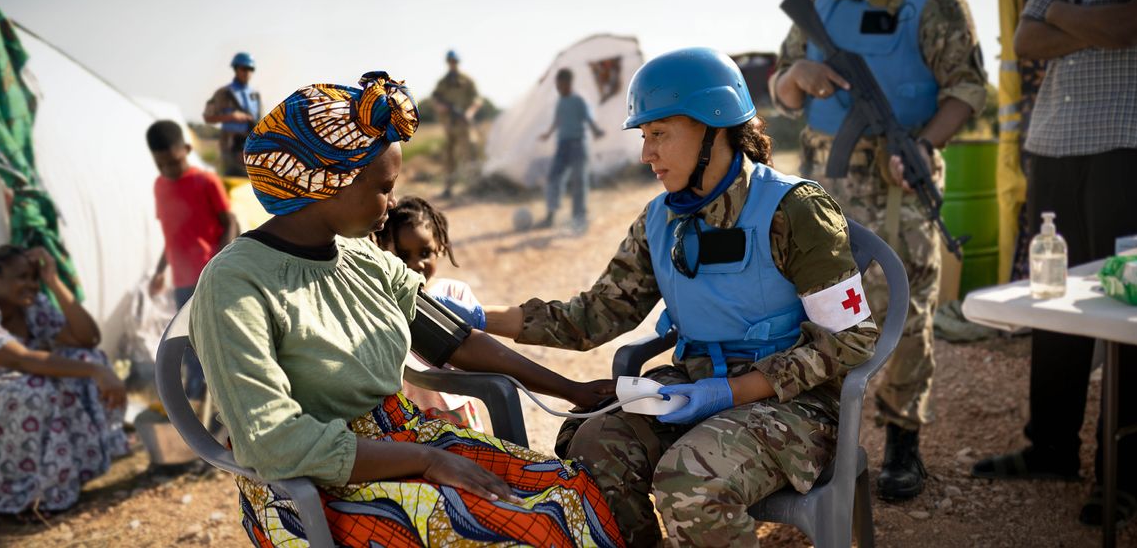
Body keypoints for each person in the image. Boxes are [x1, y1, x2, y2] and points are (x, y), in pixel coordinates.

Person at [439, 48, 879, 547]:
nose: (647, 154)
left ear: (715, 129)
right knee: (591, 448)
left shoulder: (795, 209)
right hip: (693, 387)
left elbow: (849, 339)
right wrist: (479, 317)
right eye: (645, 137)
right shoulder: (659, 221)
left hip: (794, 406)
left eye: (660, 134)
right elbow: (594, 316)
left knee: (689, 478)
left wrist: (732, 392)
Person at [188, 74, 624, 547]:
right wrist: (428, 461)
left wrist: (572, 389)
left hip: (401, 437)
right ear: (328, 183)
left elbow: (454, 338)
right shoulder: (235, 283)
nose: (393, 203)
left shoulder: (360, 255)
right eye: (384, 187)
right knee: (530, 528)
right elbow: (273, 443)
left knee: (571, 491)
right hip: (313, 486)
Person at [769, 0, 987, 500]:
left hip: (900, 184)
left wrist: (923, 142)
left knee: (907, 311)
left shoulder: (933, 0)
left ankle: (901, 440)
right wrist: (798, 73)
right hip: (825, 189)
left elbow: (967, 87)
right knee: (816, 310)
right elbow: (782, 91)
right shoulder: (820, 0)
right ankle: (813, 441)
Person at [972, 0, 1137, 528]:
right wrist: (1091, 23)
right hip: (1053, 142)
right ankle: (1051, 450)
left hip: (1127, 140)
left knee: (1123, 305)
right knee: (1051, 297)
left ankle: (1127, 472)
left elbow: (1129, 27)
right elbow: (1025, 40)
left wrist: (1063, 18)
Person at [0, 246, 127, 518]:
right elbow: (23, 360)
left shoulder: (29, 307)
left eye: (34, 278)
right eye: (22, 277)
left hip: (10, 413)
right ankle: (19, 494)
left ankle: (67, 476)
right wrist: (96, 371)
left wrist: (53, 281)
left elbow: (88, 338)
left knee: (84, 357)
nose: (31, 285)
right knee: (36, 387)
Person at [373, 195, 486, 431]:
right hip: (406, 411)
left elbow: (478, 349)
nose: (417, 264)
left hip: (456, 407)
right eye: (404, 256)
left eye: (425, 253)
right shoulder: (382, 297)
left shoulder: (455, 293)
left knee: (471, 461)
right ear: (383, 249)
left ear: (440, 248)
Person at [146, 120, 239, 309]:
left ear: (187, 149)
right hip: (181, 283)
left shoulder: (206, 181)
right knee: (189, 334)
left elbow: (230, 223)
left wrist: (218, 265)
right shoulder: (159, 186)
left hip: (211, 275)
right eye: (160, 164)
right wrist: (159, 271)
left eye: (173, 162)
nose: (167, 169)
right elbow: (172, 236)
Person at [537, 68, 605, 231]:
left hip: (578, 145)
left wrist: (596, 131)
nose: (559, 88)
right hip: (562, 145)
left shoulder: (578, 101)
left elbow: (588, 118)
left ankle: (578, 218)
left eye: (561, 85)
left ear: (568, 83)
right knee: (554, 177)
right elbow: (557, 120)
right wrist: (547, 134)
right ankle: (550, 214)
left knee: (578, 181)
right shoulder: (560, 102)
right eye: (557, 85)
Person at [431, 49, 483, 198]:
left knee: (469, 154)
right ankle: (448, 188)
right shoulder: (443, 82)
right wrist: (440, 106)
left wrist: (470, 112)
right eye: (450, 61)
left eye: (454, 61)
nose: (452, 64)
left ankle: (474, 187)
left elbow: (477, 99)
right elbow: (435, 99)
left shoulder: (467, 80)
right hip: (448, 125)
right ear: (447, 62)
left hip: (463, 124)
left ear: (457, 62)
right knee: (449, 157)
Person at [203, 52, 262, 177]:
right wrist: (231, 117)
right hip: (229, 151)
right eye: (244, 68)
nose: (247, 72)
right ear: (236, 69)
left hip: (250, 149)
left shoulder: (255, 95)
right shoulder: (223, 93)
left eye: (251, 69)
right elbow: (208, 117)